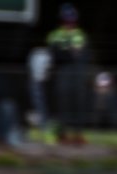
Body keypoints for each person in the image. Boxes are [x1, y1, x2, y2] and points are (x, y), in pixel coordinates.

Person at [46, 3, 92, 145]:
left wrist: (69, 53)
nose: (70, 22)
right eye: (67, 19)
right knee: (62, 103)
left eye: (72, 19)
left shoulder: (80, 34)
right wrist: (71, 54)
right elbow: (55, 55)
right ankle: (62, 134)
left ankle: (78, 134)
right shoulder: (55, 35)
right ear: (62, 19)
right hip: (62, 72)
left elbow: (85, 55)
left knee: (79, 102)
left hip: (78, 72)